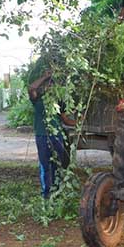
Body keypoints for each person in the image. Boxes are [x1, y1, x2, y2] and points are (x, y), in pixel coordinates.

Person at [29, 69, 75, 199]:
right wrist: (45, 76)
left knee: (58, 164)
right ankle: (46, 193)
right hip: (42, 136)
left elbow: (65, 119)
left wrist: (78, 123)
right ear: (44, 86)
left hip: (57, 137)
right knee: (44, 165)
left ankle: (57, 191)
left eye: (52, 85)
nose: (50, 88)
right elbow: (31, 88)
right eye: (48, 85)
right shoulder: (37, 98)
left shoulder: (59, 101)